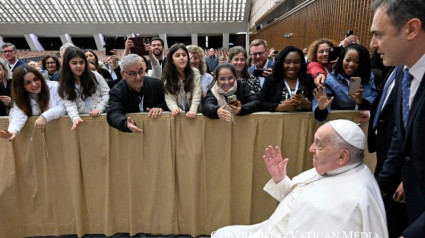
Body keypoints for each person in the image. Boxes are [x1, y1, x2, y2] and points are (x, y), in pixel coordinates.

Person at [212, 120, 388, 238]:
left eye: (319, 144)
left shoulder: (351, 202)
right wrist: (281, 180)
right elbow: (300, 203)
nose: (311, 148)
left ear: (342, 156)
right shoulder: (338, 169)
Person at [370, 0, 425, 237]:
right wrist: (374, 194)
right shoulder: (404, 72)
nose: (373, 44)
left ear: (411, 29)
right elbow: (398, 141)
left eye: (379, 35)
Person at [312, 44, 377, 122]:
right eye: (348, 60)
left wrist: (361, 101)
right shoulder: (331, 79)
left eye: (357, 61)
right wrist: (321, 109)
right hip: (340, 125)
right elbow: (321, 106)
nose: (351, 64)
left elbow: (375, 102)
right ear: (342, 59)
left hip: (364, 125)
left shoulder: (369, 77)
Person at [0, 65, 65, 141]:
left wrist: (44, 117)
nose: (34, 84)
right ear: (20, 86)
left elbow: (64, 106)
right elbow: (18, 114)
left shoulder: (55, 87)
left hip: (62, 135)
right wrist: (13, 131)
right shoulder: (21, 98)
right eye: (28, 83)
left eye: (36, 79)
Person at [107, 54, 167, 133]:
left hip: (157, 132)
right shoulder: (117, 91)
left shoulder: (157, 85)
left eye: (141, 71)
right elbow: (113, 114)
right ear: (123, 74)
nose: (138, 77)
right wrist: (125, 123)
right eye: (132, 74)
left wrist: (160, 108)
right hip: (131, 136)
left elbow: (167, 102)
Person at [58, 47, 110, 130]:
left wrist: (99, 108)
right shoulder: (65, 83)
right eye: (74, 63)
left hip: (102, 118)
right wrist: (75, 118)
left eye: (81, 62)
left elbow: (107, 93)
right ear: (67, 64)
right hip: (83, 122)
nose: (79, 66)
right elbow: (69, 103)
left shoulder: (95, 76)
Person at [259, 46, 316, 112]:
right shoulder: (271, 80)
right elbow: (261, 103)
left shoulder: (308, 79)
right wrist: (279, 107)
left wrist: (308, 105)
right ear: (281, 63)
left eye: (296, 62)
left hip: (304, 121)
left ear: (302, 63)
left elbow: (320, 104)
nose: (292, 66)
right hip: (279, 122)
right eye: (288, 62)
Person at [162, 43, 201, 119]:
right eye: (177, 56)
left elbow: (197, 93)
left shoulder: (195, 72)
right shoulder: (167, 76)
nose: (182, 58)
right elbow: (169, 98)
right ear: (172, 60)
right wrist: (174, 108)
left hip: (195, 113)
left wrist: (193, 110)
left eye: (184, 55)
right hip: (178, 115)